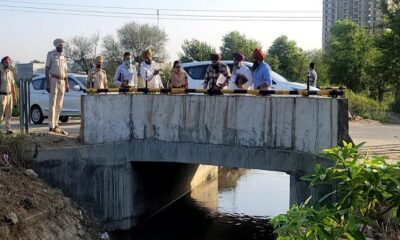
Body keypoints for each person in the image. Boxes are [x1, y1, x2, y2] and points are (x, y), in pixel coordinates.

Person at [46, 38, 68, 135]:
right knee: (53, 103)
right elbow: (46, 69)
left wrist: (67, 84)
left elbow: (66, 71)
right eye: (60, 46)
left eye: (63, 46)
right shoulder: (50, 54)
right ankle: (51, 125)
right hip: (54, 79)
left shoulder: (64, 57)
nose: (62, 47)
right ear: (57, 46)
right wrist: (48, 83)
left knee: (59, 104)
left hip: (62, 80)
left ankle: (56, 124)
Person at [0, 56, 17, 134]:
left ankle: (8, 129)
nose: (8, 64)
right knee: (1, 112)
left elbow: (13, 85)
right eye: (6, 62)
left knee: (9, 113)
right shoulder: (0, 72)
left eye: (9, 62)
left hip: (9, 96)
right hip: (2, 95)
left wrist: (15, 97)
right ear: (3, 63)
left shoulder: (11, 73)